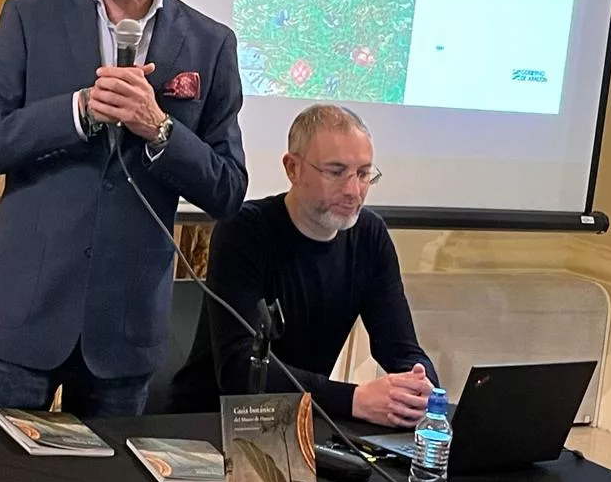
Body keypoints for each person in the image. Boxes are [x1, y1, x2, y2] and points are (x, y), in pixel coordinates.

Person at [0, 0, 247, 423]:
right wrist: (78, 112)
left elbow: (228, 191)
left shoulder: (209, 44)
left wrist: (158, 128)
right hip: (21, 321)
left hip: (123, 332)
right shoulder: (30, 19)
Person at [169, 104, 438, 426]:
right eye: (336, 172)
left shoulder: (370, 235)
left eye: (364, 174)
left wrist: (421, 387)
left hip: (304, 421)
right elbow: (241, 370)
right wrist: (354, 399)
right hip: (212, 421)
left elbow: (401, 348)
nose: (353, 191)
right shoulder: (244, 229)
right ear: (292, 168)